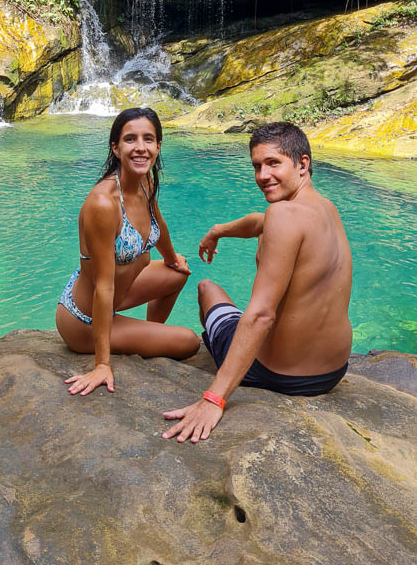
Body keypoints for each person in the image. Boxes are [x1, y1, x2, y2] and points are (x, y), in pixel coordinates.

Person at [162, 122, 353, 443]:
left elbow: (262, 315)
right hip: (333, 372)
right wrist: (218, 230)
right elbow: (259, 223)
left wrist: (214, 399)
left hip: (281, 377)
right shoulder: (325, 209)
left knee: (207, 289)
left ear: (303, 164)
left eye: (273, 163)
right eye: (257, 166)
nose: (262, 175)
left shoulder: (283, 215)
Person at [56, 107, 200, 395]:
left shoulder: (144, 180)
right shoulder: (103, 204)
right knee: (189, 342)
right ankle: (135, 338)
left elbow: (157, 220)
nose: (140, 148)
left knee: (178, 274)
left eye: (148, 139)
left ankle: (146, 335)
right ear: (116, 147)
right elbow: (104, 286)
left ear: (159, 145)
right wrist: (102, 365)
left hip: (119, 294)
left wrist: (172, 259)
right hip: (86, 317)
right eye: (130, 139)